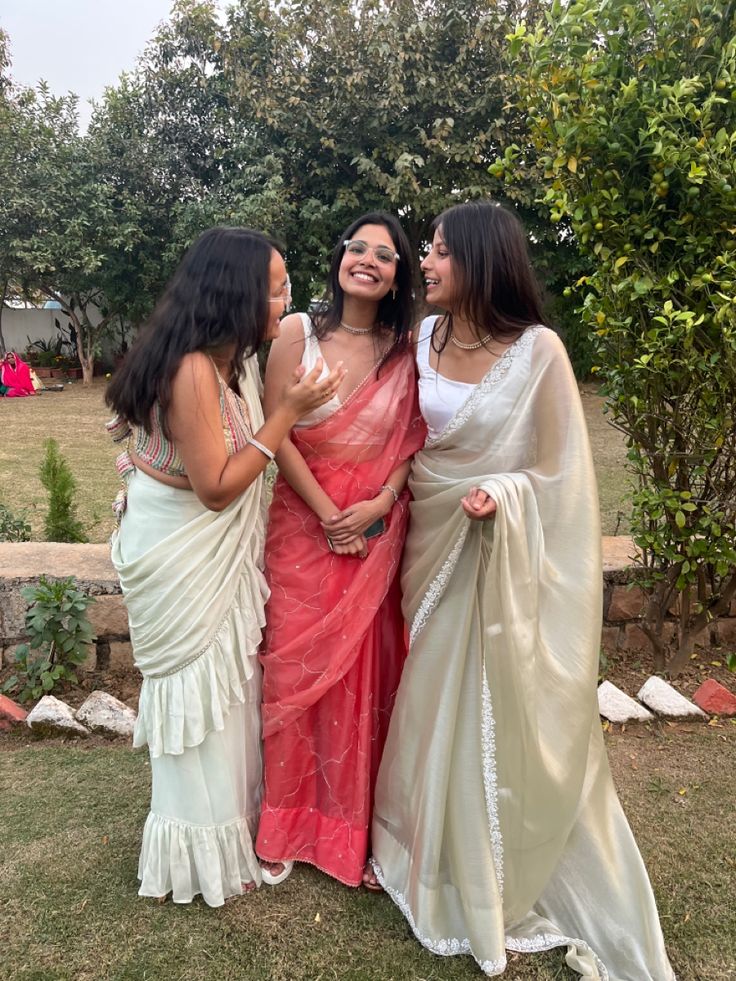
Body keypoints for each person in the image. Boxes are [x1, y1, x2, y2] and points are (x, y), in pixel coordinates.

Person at [371, 201, 675, 979]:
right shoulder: (419, 340)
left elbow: (561, 472)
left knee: (489, 701)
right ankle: (427, 854)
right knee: (432, 699)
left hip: (498, 548)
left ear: (480, 260)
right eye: (425, 250)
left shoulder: (539, 353)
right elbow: (396, 438)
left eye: (438, 251)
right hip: (429, 545)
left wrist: (501, 493)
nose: (424, 264)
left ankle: (491, 866)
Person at [105, 227, 345, 906]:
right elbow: (215, 486)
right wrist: (288, 414)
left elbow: (238, 448)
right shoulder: (189, 368)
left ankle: (232, 829)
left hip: (206, 550)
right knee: (197, 695)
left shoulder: (227, 359)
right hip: (183, 552)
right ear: (235, 293)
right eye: (275, 288)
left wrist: (298, 407)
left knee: (227, 691)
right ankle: (193, 850)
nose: (286, 300)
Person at [256, 212, 426, 889]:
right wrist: (330, 516)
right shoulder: (297, 332)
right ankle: (288, 824)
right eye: (358, 247)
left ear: (395, 277)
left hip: (374, 540)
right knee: (293, 677)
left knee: (366, 683)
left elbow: (415, 440)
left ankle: (359, 832)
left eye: (384, 255)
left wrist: (380, 504)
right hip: (305, 530)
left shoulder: (406, 347)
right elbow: (277, 432)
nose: (367, 259)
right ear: (339, 258)